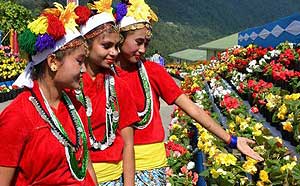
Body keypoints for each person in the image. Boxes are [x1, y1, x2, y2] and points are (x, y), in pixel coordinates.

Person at [114, 0, 264, 185]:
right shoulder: (105, 75)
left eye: (146, 43)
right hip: (113, 166)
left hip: (151, 166)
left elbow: (193, 110)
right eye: (138, 42)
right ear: (120, 38)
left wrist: (231, 140)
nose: (143, 49)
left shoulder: (152, 71)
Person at [0, 3, 97, 185]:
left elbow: (86, 167)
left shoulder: (75, 107)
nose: (84, 69)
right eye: (79, 61)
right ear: (53, 62)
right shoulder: (17, 116)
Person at [78, 1, 139, 185]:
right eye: (106, 46)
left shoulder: (119, 87)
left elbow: (128, 145)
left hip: (115, 178)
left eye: (116, 46)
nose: (114, 52)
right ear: (86, 47)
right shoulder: (69, 89)